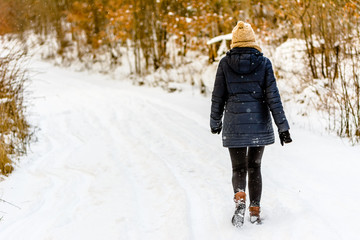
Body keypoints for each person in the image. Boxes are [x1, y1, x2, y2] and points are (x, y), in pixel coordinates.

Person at [210, 21, 292, 227]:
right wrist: (283, 128)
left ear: (234, 42)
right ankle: (254, 212)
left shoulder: (224, 64)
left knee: (238, 167)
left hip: (234, 124)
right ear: (253, 40)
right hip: (258, 123)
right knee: (254, 167)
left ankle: (239, 198)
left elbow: (217, 96)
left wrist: (215, 120)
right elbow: (273, 97)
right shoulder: (264, 63)